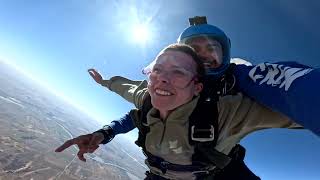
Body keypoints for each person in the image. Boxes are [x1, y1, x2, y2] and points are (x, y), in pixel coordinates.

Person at [56, 44, 302, 179]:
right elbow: (130, 97)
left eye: (178, 72)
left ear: (197, 86)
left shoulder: (227, 111)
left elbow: (292, 111)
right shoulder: (147, 97)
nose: (162, 79)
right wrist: (104, 130)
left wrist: (302, 89)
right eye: (158, 70)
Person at [88, 16, 320, 135]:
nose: (204, 56)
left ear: (226, 56)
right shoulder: (159, 89)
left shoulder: (240, 86)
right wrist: (106, 82)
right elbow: (131, 89)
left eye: (212, 49)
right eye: (194, 51)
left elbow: (292, 85)